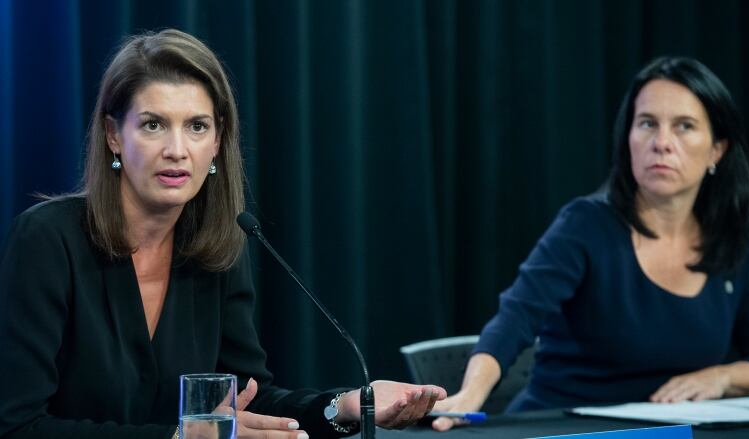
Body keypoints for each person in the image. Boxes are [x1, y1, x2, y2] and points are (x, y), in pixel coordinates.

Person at [0, 29, 444, 439]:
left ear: (216, 143)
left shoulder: (215, 250)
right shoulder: (47, 240)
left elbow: (249, 400)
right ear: (114, 134)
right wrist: (180, 437)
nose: (177, 149)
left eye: (197, 126)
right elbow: (17, 425)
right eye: (153, 124)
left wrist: (346, 405)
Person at [431, 56, 749, 431]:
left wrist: (723, 377)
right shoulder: (586, 225)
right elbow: (515, 317)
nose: (662, 143)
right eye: (647, 123)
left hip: (673, 432)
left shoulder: (738, 240)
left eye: (684, 126)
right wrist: (470, 394)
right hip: (565, 427)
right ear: (627, 137)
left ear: (717, 150)